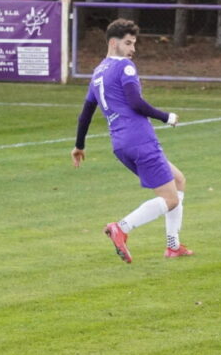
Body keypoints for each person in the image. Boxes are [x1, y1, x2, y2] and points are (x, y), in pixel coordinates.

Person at [71, 18, 190, 263]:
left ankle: (173, 245)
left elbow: (85, 113)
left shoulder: (97, 73)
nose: (132, 49)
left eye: (134, 43)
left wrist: (79, 145)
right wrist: (166, 117)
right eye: (128, 43)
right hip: (140, 139)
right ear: (114, 43)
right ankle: (122, 227)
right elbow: (135, 102)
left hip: (121, 144)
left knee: (178, 180)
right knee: (170, 199)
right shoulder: (124, 67)